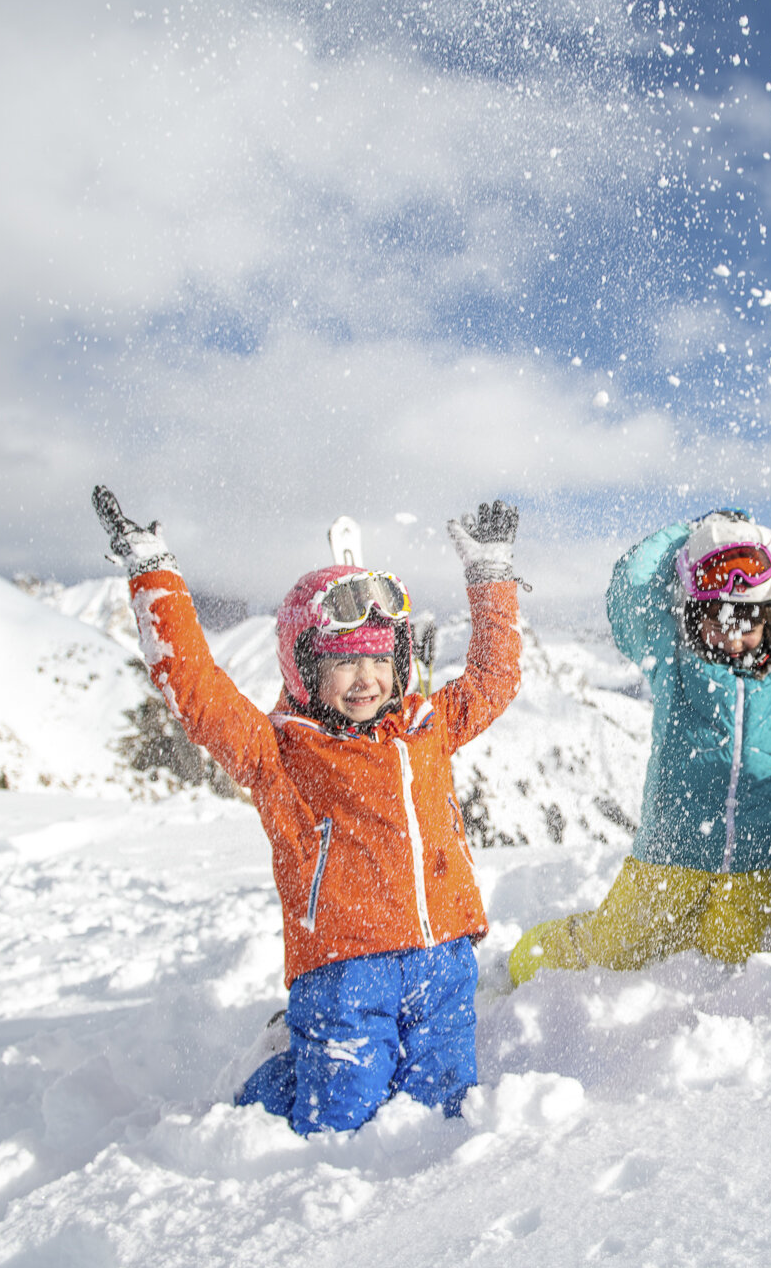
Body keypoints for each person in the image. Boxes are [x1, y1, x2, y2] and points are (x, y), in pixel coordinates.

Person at [91, 486, 522, 1134]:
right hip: (345, 969)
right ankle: (275, 1079)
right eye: (343, 662)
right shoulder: (281, 754)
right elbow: (197, 690)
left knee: (446, 1106)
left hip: (444, 956)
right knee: (341, 1112)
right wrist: (154, 572)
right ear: (303, 668)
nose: (366, 678)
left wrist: (490, 578)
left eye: (380, 658)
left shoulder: (426, 727)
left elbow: (495, 679)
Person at [508, 509, 771, 984]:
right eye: (717, 618)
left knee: (725, 968)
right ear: (693, 613)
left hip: (757, 865)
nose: (732, 635)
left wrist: (765, 550)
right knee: (614, 947)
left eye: (748, 618)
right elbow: (631, 585)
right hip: (672, 856)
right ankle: (537, 954)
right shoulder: (672, 659)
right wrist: (691, 537)